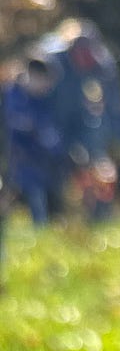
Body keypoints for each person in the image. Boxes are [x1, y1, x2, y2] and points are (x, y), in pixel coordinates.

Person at [37, 20, 120, 220]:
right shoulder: (51, 60)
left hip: (88, 122)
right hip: (55, 125)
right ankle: (59, 217)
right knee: (58, 172)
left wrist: (119, 135)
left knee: (97, 165)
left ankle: (99, 214)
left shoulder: (102, 63)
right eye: (81, 51)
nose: (86, 57)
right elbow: (39, 100)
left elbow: (113, 101)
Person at [3, 53, 67, 224]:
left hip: (39, 160)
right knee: (12, 195)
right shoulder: (12, 95)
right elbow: (15, 123)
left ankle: (41, 230)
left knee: (39, 195)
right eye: (44, 81)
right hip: (15, 159)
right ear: (33, 75)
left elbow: (51, 130)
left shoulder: (44, 100)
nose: (46, 86)